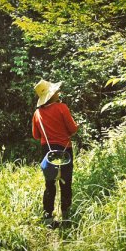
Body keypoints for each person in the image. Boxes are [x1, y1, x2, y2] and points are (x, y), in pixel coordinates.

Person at [32, 80, 78, 227]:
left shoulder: (37, 113)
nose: (59, 93)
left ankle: (48, 219)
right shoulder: (62, 108)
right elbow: (73, 129)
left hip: (47, 151)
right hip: (65, 150)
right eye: (56, 91)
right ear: (51, 95)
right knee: (66, 183)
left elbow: (36, 136)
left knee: (49, 184)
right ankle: (66, 218)